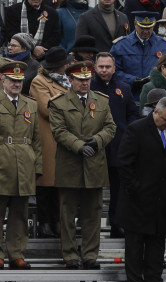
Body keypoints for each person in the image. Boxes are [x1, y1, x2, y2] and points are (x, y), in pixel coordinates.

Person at [49, 61, 117, 269]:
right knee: (68, 214)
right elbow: (58, 131)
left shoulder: (101, 101)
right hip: (69, 164)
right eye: (80, 80)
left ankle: (90, 255)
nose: (85, 83)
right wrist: (79, 146)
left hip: (94, 164)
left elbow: (110, 127)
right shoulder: (59, 102)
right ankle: (70, 255)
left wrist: (97, 140)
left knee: (93, 214)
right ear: (70, 80)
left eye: (87, 79)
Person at [117, 96, 166, 282]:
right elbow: (124, 163)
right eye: (165, 120)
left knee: (157, 246)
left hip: (162, 201)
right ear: (156, 112)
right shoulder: (136, 129)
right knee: (135, 247)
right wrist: (137, 188)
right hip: (137, 201)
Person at [91, 52, 139, 238]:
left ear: (114, 68)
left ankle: (117, 224)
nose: (104, 70)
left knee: (119, 191)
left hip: (119, 147)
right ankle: (90, 228)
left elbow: (133, 114)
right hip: (95, 147)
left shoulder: (124, 88)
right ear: (95, 68)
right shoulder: (89, 87)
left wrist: (128, 132)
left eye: (107, 66)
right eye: (101, 66)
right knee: (93, 192)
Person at [0, 62, 41, 270]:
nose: (17, 84)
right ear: (3, 81)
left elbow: (36, 140)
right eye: (12, 80)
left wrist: (37, 167)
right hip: (2, 163)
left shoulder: (30, 104)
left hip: (24, 165)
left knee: (20, 214)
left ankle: (17, 254)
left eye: (19, 80)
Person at [29, 46, 72, 239]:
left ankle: (56, 222)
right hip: (48, 139)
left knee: (59, 185)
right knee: (45, 185)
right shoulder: (39, 82)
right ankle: (45, 223)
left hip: (64, 139)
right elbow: (48, 109)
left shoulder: (68, 81)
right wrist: (72, 108)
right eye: (66, 63)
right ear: (59, 66)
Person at [110, 11, 166, 96]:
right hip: (129, 96)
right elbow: (112, 71)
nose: (145, 31)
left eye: (149, 28)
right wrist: (132, 80)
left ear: (154, 25)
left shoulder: (165, 46)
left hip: (157, 98)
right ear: (135, 24)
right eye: (142, 28)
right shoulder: (120, 45)